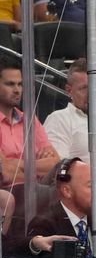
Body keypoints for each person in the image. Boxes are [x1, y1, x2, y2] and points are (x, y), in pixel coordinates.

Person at [0, 56, 60, 187]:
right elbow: (6, 173)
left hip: (36, 192)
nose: (17, 90)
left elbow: (55, 163)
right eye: (10, 84)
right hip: (9, 193)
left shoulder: (30, 120)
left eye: (20, 84)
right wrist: (38, 170)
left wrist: (18, 163)